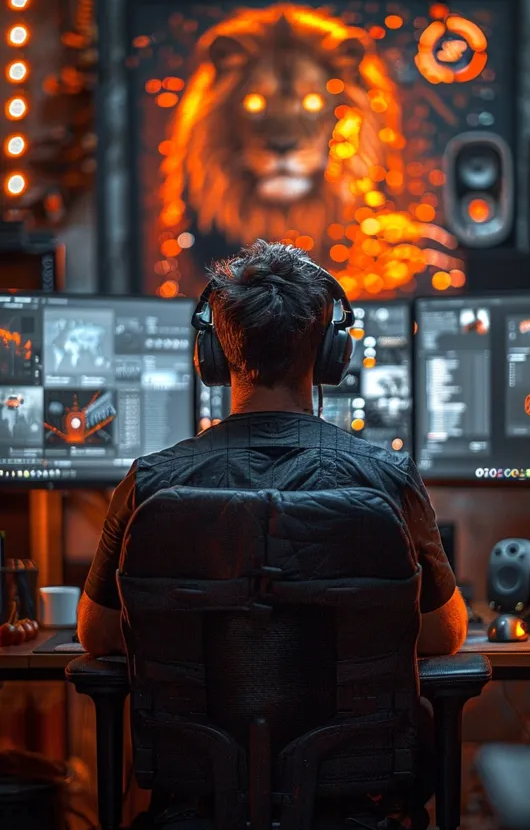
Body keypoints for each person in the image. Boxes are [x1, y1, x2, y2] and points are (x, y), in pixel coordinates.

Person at [78, 240, 467, 659]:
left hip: (195, 727)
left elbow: (98, 635)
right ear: (330, 357)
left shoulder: (150, 483)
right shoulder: (388, 478)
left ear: (211, 356)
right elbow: (440, 636)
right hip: (347, 724)